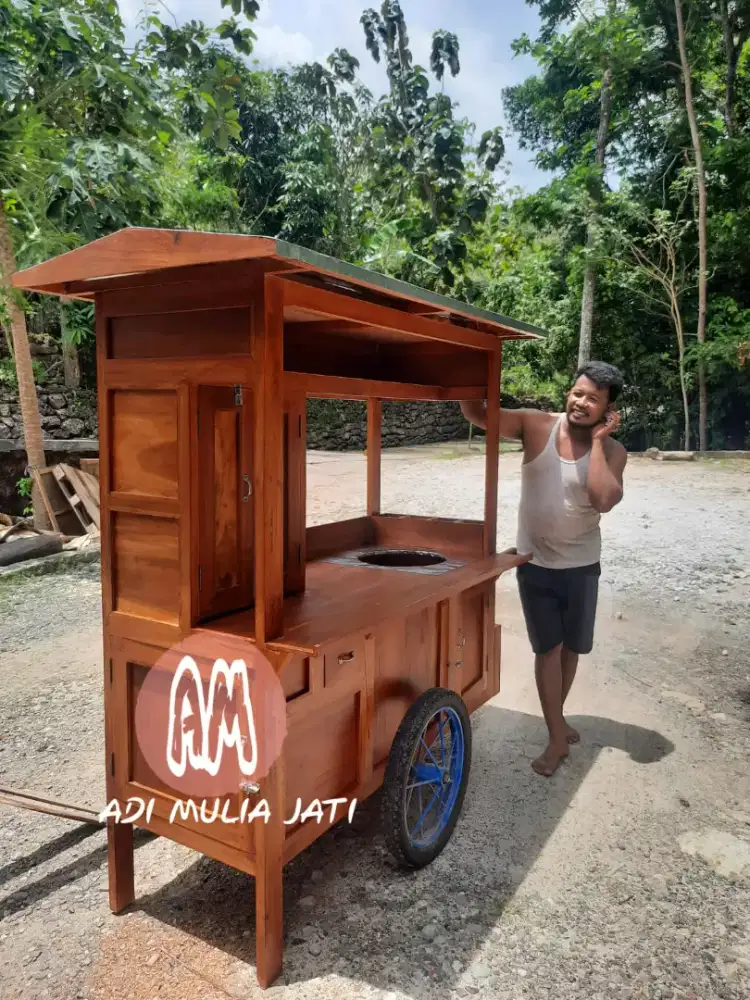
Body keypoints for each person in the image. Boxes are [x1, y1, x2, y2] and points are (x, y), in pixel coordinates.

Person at [461, 361, 627, 777]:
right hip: (535, 562)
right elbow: (480, 415)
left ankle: (557, 719)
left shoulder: (613, 451)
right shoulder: (537, 426)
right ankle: (556, 737)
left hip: (582, 565)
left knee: (572, 648)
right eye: (577, 392)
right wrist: (462, 375)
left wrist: (601, 439)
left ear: (607, 409)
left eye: (592, 398)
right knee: (547, 649)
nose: (580, 402)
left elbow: (603, 499)